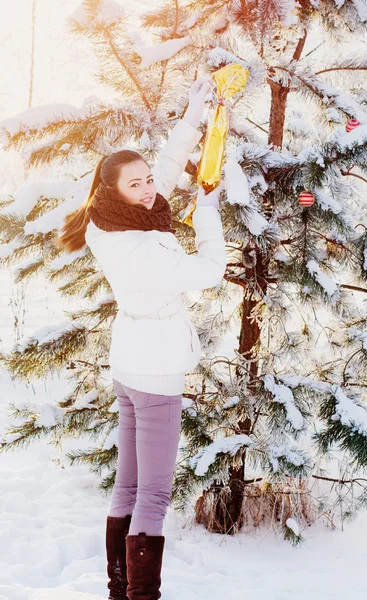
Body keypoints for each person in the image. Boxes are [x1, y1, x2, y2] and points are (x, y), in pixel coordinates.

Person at [55, 77, 227, 600]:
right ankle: (139, 595)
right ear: (112, 190)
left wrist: (196, 113)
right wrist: (210, 210)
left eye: (147, 179)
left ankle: (119, 589)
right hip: (154, 373)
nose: (150, 188)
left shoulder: (110, 220)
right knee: (152, 494)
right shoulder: (139, 247)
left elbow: (167, 170)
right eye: (137, 184)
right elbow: (211, 269)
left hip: (130, 367)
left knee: (128, 487)